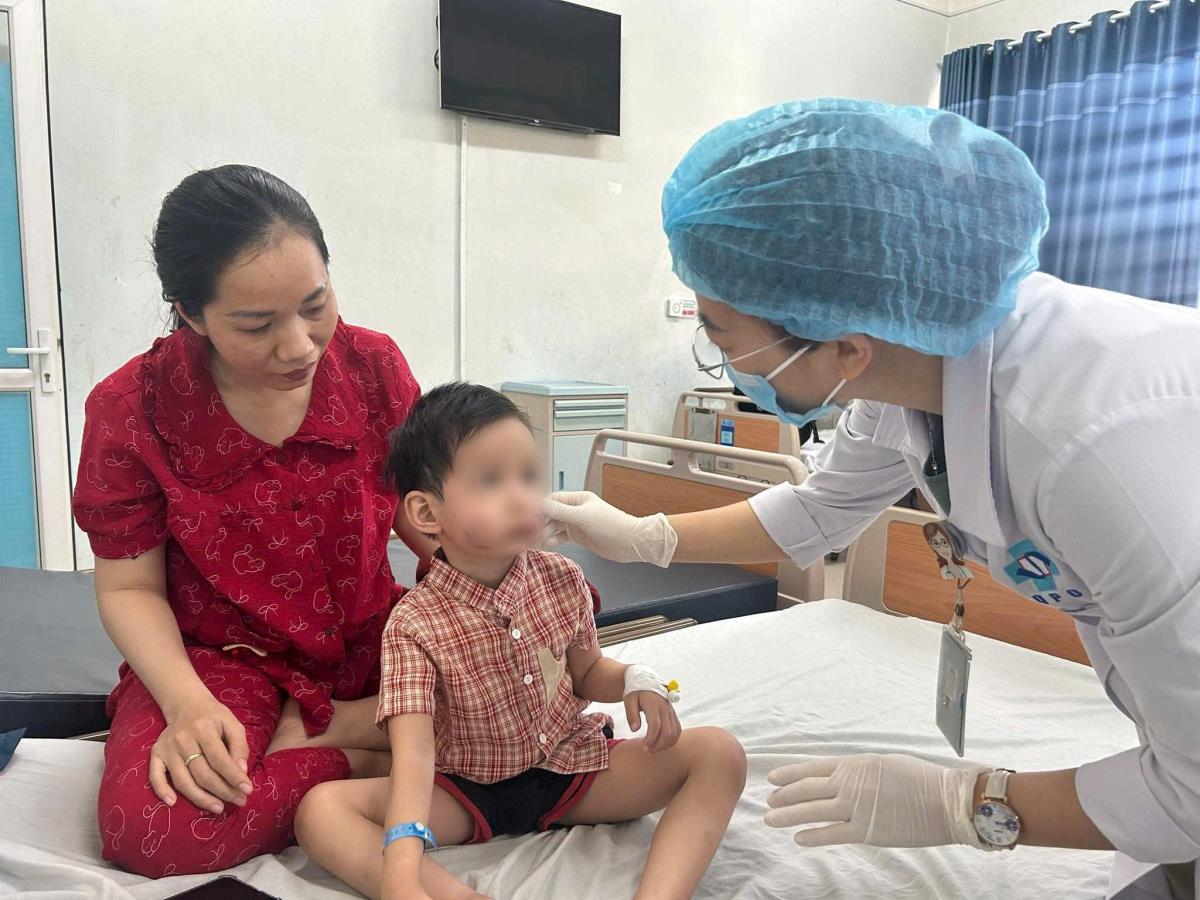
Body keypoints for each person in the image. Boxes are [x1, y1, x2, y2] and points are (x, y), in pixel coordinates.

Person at [542, 99, 1200, 898]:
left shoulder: (1092, 448)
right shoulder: (906, 371)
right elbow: (816, 511)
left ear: (845, 347)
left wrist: (966, 802)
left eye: (720, 334)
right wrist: (642, 535)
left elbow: (1191, 795)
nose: (720, 358)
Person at [71, 165, 435, 877]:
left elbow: (423, 513)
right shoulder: (131, 411)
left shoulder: (373, 366)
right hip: (222, 660)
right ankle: (366, 759)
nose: (299, 345)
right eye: (257, 325)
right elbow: (129, 587)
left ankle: (340, 737)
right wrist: (187, 706)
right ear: (191, 313)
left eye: (315, 305)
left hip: (371, 642)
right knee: (154, 829)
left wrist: (488, 594)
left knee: (534, 711)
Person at [294, 383, 747, 900]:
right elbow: (414, 755)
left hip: (569, 771)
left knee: (719, 753)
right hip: (466, 789)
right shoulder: (413, 624)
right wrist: (401, 871)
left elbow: (587, 672)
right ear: (426, 514)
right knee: (320, 812)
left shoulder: (562, 579)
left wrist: (632, 680)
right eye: (491, 480)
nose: (521, 497)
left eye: (529, 476)